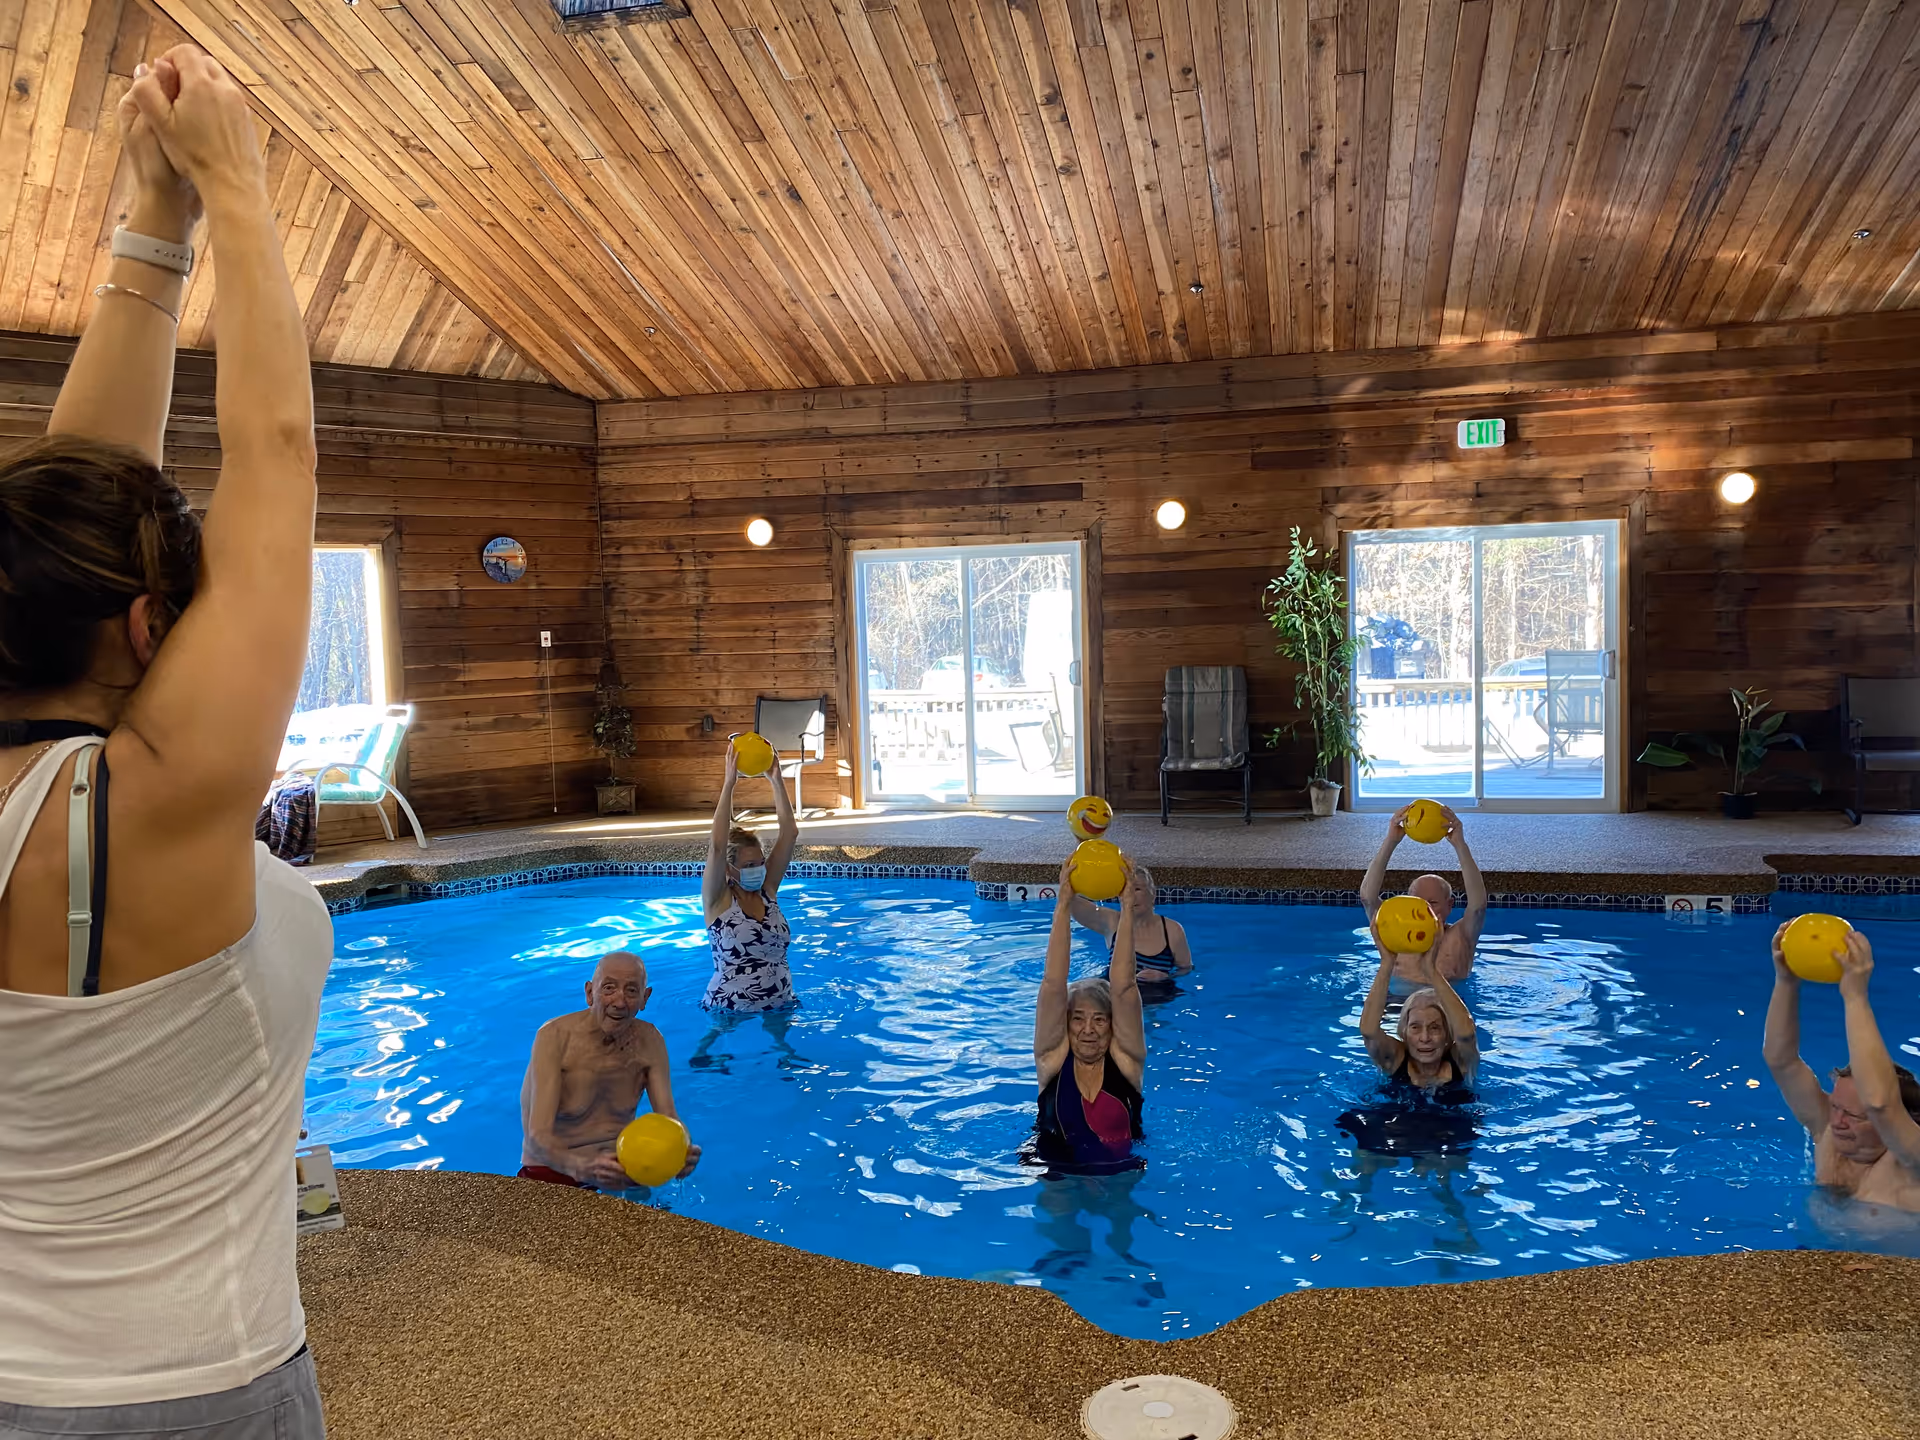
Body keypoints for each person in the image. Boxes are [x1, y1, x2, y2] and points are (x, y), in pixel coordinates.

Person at [0, 45, 330, 1434]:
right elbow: (275, 458)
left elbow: (61, 527)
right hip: (191, 1397)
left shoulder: (55, 807)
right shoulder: (144, 812)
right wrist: (238, 187)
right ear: (149, 633)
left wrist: (155, 233)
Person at [1764, 925, 1920, 1213]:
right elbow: (1781, 1060)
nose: (1837, 1121)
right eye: (1836, 1106)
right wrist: (1786, 981)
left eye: (1852, 1115)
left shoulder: (1911, 1163)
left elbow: (1880, 1104)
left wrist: (1855, 996)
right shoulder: (1828, 1132)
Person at [519, 952, 702, 1189]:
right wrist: (580, 1167)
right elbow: (537, 1138)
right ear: (589, 993)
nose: (619, 1002)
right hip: (555, 1169)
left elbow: (667, 1116)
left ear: (645, 998)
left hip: (624, 1170)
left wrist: (682, 1149)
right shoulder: (554, 1038)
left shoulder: (650, 1041)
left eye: (632, 991)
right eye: (608, 988)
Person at [1033, 856, 1146, 1175]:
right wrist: (1063, 903)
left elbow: (1123, 986)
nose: (1088, 1030)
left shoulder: (1127, 1061)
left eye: (1100, 1019)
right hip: (1055, 1166)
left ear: (1113, 1026)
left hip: (1120, 1169)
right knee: (1058, 1223)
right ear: (1065, 1025)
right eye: (1078, 1018)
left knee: (1122, 1220)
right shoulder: (1051, 1059)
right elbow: (1053, 984)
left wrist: (1126, 909)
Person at [700, 744, 800, 1011]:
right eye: (749, 865)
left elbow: (789, 834)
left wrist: (776, 781)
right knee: (714, 1055)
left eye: (760, 862)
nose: (758, 869)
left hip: (781, 1004)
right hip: (728, 1010)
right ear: (729, 869)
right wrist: (729, 784)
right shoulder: (717, 900)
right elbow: (717, 847)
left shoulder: (768, 890)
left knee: (786, 1054)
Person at [1359, 802, 1488, 989]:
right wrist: (1391, 840)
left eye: (1433, 903)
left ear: (1449, 905)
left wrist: (1460, 844)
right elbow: (1368, 898)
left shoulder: (1460, 937)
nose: (1424, 909)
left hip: (1446, 1009)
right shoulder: (1394, 934)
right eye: (1417, 902)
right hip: (1398, 1007)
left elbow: (1478, 906)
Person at [1071, 864, 1193, 995]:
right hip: (1115, 998)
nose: (1130, 896)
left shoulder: (1172, 930)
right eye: (1125, 890)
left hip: (1156, 1000)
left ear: (1153, 893)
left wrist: (1165, 978)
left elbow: (1186, 969)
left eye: (1137, 889)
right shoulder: (1112, 921)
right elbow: (1071, 902)